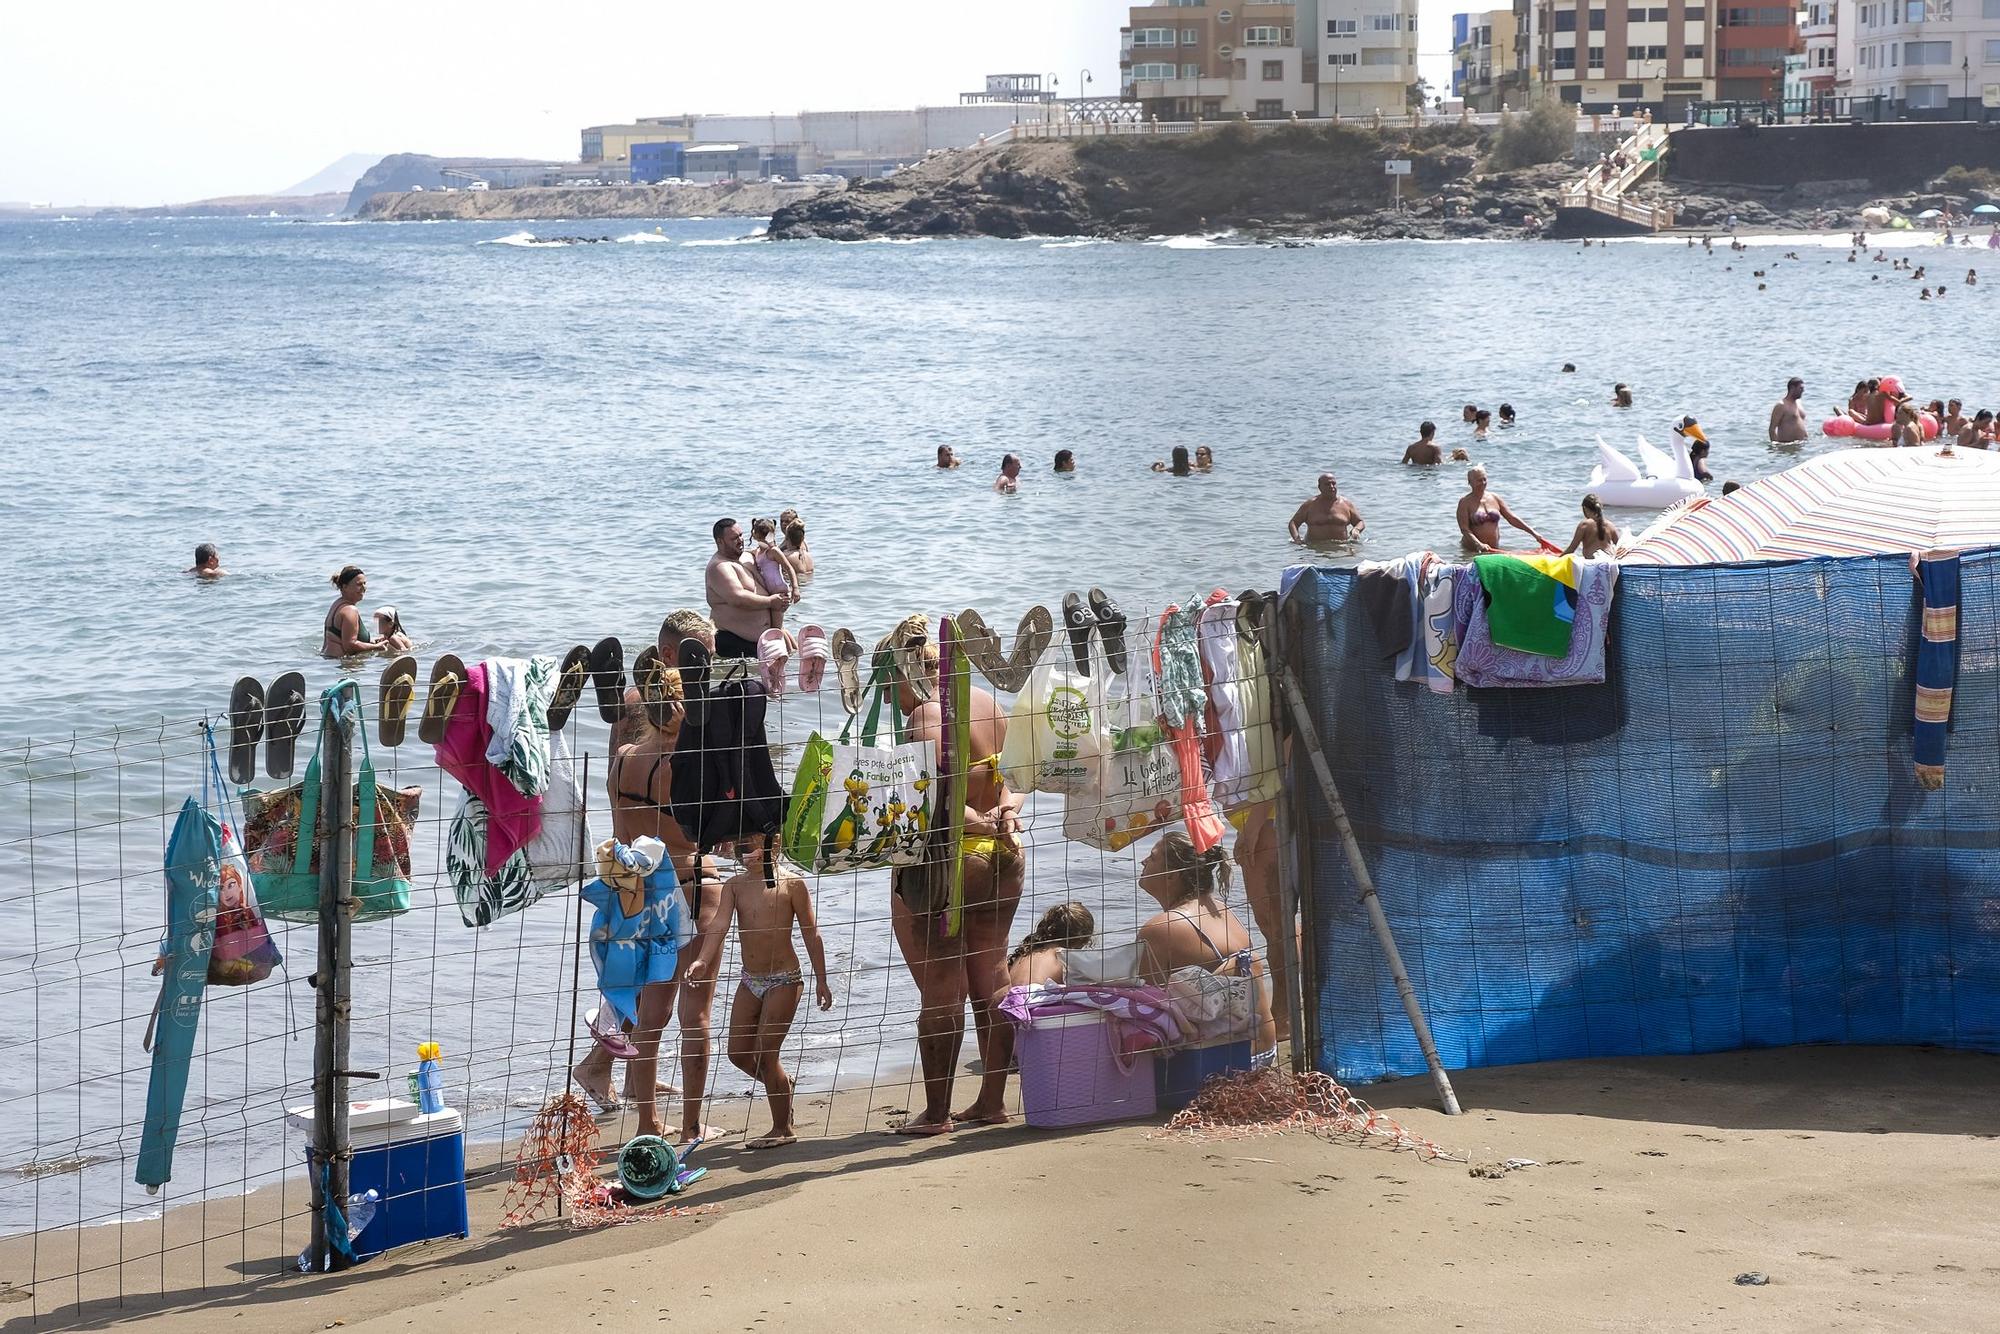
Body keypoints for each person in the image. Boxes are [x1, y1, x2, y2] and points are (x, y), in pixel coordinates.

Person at [576, 609, 728, 1141]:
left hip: (631, 878)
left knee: (647, 1011)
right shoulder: (685, 758)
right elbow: (707, 831)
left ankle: (645, 1118)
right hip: (685, 880)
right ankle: (688, 1125)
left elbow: (621, 816)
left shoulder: (622, 751)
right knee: (695, 1014)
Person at [887, 623, 1022, 1134]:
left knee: (942, 986)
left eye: (889, 683)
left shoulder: (925, 715)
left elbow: (935, 798)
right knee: (992, 974)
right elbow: (1016, 779)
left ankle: (937, 1112)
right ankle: (992, 1100)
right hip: (1005, 852)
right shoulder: (989, 702)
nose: (892, 699)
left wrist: (973, 821)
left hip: (954, 860)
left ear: (906, 671)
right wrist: (1001, 816)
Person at [714, 840, 832, 1150]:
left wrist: (821, 979)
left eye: (751, 847)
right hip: (749, 979)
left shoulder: (792, 884)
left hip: (785, 978)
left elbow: (811, 931)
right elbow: (719, 926)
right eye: (740, 849)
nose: (745, 855)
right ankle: (780, 1084)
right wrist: (702, 959)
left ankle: (783, 1128)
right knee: (737, 1052)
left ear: (773, 845)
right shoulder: (734, 886)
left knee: (768, 1053)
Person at [1134, 831, 1276, 1059]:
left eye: (1152, 857)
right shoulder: (1222, 910)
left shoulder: (1162, 929)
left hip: (1216, 1062)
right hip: (1264, 1051)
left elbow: (1148, 1009)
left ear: (1172, 875)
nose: (1143, 861)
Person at [706, 519, 788, 659]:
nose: (740, 540)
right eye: (734, 538)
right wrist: (770, 601)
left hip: (763, 641)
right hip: (735, 644)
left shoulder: (747, 556)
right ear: (720, 542)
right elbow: (737, 598)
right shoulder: (719, 567)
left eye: (741, 535)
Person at [1004, 902, 1095, 989]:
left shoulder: (1026, 952)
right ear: (1082, 939)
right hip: (1033, 1001)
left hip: (1013, 1000)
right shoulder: (1062, 956)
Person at [1457, 467, 1546, 554]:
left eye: (1485, 479)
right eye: (1479, 480)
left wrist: (1534, 533)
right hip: (1472, 551)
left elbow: (1512, 518)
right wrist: (1478, 544)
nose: (1483, 483)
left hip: (1493, 549)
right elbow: (1464, 529)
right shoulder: (1465, 502)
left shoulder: (1495, 498)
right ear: (1470, 482)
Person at [748, 517, 802, 634]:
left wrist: (795, 589)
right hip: (771, 594)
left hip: (780, 592)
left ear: (755, 534)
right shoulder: (758, 551)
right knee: (775, 628)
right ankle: (792, 648)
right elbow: (750, 553)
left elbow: (789, 568)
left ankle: (784, 649)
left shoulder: (773, 551)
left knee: (776, 629)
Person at [321, 566, 385, 658]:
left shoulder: (337, 604)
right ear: (345, 587)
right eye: (359, 584)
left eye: (364, 583)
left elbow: (340, 639)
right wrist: (376, 647)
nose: (364, 588)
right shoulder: (350, 610)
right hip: (342, 665)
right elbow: (350, 646)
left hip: (329, 661)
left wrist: (371, 642)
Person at [1287, 473, 1364, 543]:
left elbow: (1360, 522)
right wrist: (1297, 539)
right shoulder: (1310, 505)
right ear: (1319, 487)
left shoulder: (1346, 504)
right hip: (1313, 550)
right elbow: (1293, 523)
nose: (1331, 486)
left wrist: (1356, 529)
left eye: (1333, 483)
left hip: (1341, 548)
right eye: (1327, 484)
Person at [1564, 494, 1620, 558]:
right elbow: (1620, 547)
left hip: (1592, 563)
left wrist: (1557, 559)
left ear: (1585, 508)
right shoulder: (1610, 525)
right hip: (1609, 561)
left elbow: (1571, 549)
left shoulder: (1584, 524)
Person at [1769, 377, 1808, 444]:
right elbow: (1772, 429)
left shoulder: (1798, 403)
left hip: (1802, 445)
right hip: (1787, 447)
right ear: (1792, 388)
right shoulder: (1781, 405)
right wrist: (1776, 448)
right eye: (1800, 388)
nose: (1803, 391)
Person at [1674, 416, 1713, 482]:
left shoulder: (1690, 456)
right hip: (1698, 482)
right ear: (1703, 451)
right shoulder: (1700, 460)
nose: (1708, 452)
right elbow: (1703, 471)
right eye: (1707, 450)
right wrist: (1710, 477)